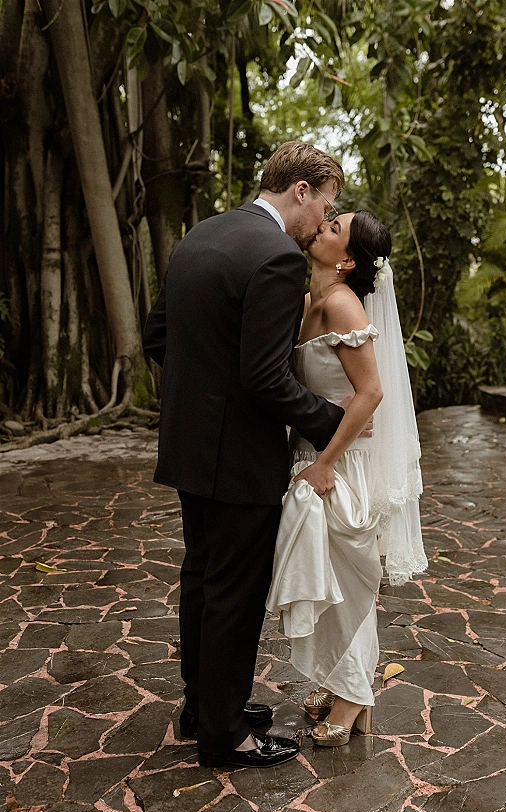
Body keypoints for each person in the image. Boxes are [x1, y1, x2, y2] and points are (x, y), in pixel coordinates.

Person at [142, 142, 355, 769]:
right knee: (234, 592)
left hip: (188, 445)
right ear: (300, 190)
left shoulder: (201, 236)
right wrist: (329, 421)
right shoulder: (278, 258)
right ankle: (225, 734)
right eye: (326, 205)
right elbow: (266, 378)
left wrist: (203, 397)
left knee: (203, 580)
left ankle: (202, 706)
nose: (323, 222)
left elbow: (160, 336)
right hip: (239, 458)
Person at [266, 210, 428, 746]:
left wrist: (327, 462)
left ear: (350, 259)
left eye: (336, 227)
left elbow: (372, 392)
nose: (323, 227)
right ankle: (340, 686)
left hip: (340, 466)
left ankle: (357, 695)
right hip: (314, 456)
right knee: (328, 583)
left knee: (349, 588)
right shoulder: (312, 299)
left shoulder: (339, 304)